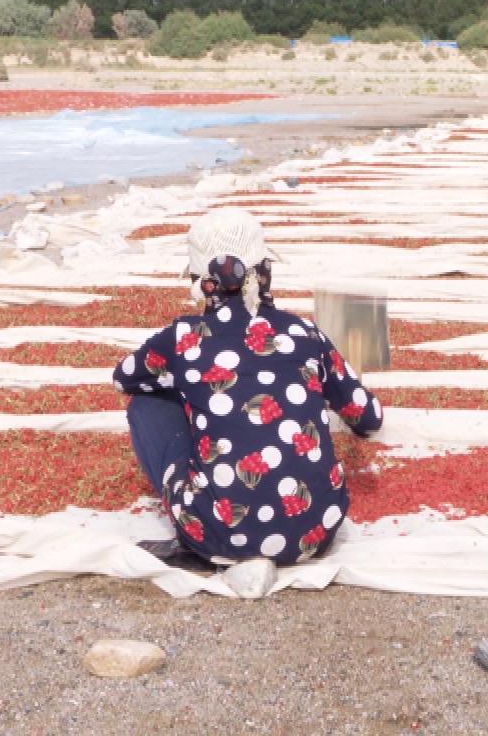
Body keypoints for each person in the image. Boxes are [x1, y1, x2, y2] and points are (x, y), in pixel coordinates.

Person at [113, 208, 384, 570]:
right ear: (266, 273)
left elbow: (124, 378)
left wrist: (189, 381)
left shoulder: (182, 338)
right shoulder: (305, 332)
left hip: (218, 534)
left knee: (147, 403)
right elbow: (368, 417)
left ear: (198, 280)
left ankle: (201, 520)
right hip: (317, 532)